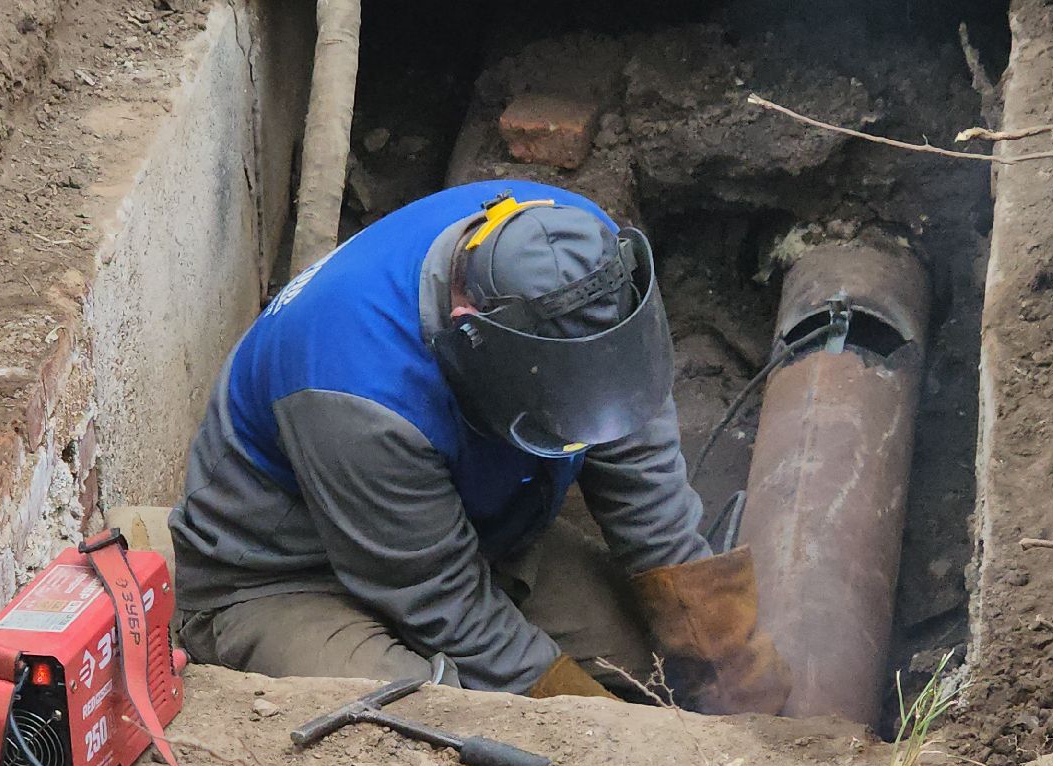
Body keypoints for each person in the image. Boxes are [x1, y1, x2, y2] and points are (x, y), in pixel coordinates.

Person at [168, 180, 788, 713]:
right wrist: (595, 729)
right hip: (287, 580)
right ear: (472, 332)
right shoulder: (355, 388)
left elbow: (643, 477)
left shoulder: (586, 252)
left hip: (477, 536)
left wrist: (727, 660)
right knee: (439, 717)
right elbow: (445, 603)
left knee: (651, 661)